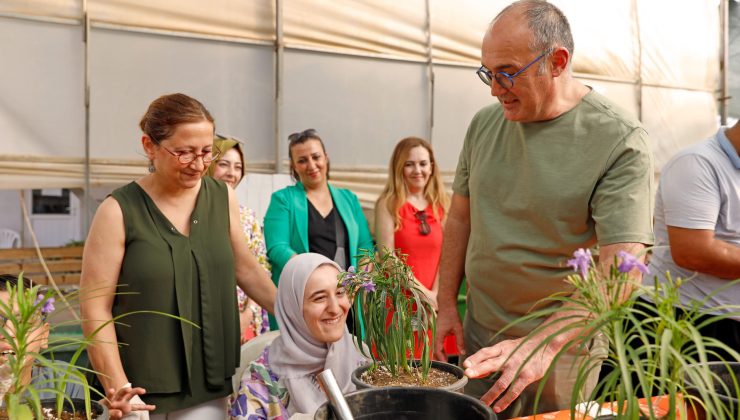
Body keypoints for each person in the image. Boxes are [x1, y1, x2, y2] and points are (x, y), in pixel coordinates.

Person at [433, 1, 654, 417]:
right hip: (480, 336)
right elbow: (460, 217)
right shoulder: (484, 125)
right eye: (488, 73)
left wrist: (544, 343)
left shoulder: (619, 139)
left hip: (560, 353)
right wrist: (446, 304)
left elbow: (621, 270)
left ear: (557, 61)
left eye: (507, 73)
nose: (495, 89)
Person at [80, 93, 277, 419]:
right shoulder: (117, 211)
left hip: (207, 380)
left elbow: (246, 268)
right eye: (184, 153)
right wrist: (120, 389)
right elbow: (94, 307)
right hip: (138, 389)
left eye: (205, 152)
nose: (199, 165)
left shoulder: (221, 197)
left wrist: (299, 314)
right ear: (149, 146)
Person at [229, 253, 366, 419]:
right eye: (320, 298)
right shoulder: (262, 378)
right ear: (292, 309)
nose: (335, 308)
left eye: (340, 293)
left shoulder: (361, 356)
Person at [263, 128, 374, 331]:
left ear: (326, 158)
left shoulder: (349, 199)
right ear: (294, 166)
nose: (311, 165)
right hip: (307, 301)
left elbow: (365, 246)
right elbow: (277, 247)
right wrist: (313, 279)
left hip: (345, 301)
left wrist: (361, 281)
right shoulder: (282, 200)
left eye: (316, 157)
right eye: (302, 160)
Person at [645, 120, 740, 352]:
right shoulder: (697, 163)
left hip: (724, 323)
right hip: (690, 325)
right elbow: (694, 252)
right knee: (673, 389)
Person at [0, 274, 151, 419]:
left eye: (22, 322)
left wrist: (95, 414)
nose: (8, 333)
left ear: (44, 335)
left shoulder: (64, 381)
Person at [374, 136, 457, 356]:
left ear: (432, 166)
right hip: (400, 301)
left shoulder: (443, 205)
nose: (417, 170)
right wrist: (423, 294)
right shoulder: (388, 204)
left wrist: (438, 295)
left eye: (423, 163)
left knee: (435, 370)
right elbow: (387, 257)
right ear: (399, 168)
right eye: (409, 164)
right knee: (400, 367)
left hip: (435, 304)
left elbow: (448, 254)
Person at [207, 134, 271, 343]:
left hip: (246, 318)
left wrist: (248, 315)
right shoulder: (191, 213)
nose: (231, 173)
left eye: (237, 167)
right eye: (223, 165)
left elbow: (259, 266)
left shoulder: (247, 216)